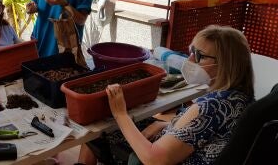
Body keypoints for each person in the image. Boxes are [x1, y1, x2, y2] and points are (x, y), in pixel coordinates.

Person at [78, 25, 255, 165]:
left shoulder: (209, 107)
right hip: (179, 149)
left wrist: (120, 113)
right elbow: (201, 132)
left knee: (98, 133)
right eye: (191, 51)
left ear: (226, 64)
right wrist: (165, 124)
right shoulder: (242, 98)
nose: (190, 60)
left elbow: (154, 160)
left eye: (200, 56)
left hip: (159, 157)